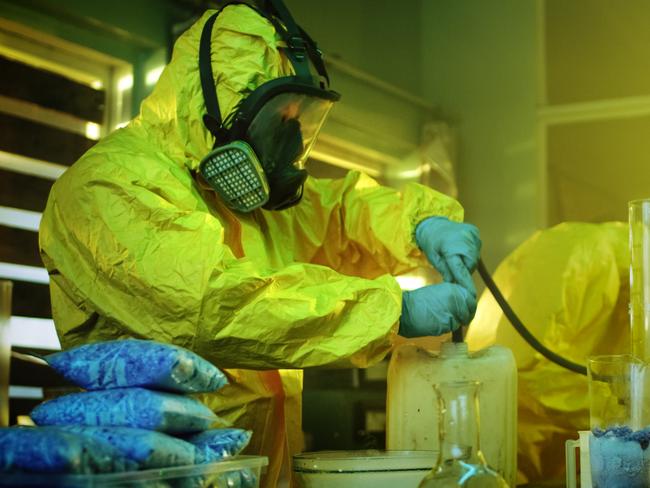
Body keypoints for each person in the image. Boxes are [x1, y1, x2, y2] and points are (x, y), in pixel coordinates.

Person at [38, 1, 481, 485]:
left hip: (259, 473)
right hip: (151, 476)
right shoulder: (107, 187)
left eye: (300, 120)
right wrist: (394, 311)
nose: (288, 142)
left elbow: (336, 213)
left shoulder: (248, 203)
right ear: (216, 109)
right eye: (277, 119)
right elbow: (212, 303)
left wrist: (420, 226)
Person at [466, 221, 629, 484]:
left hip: (555, 460)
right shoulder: (577, 249)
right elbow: (529, 368)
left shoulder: (630, 290)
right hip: (495, 445)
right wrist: (622, 407)